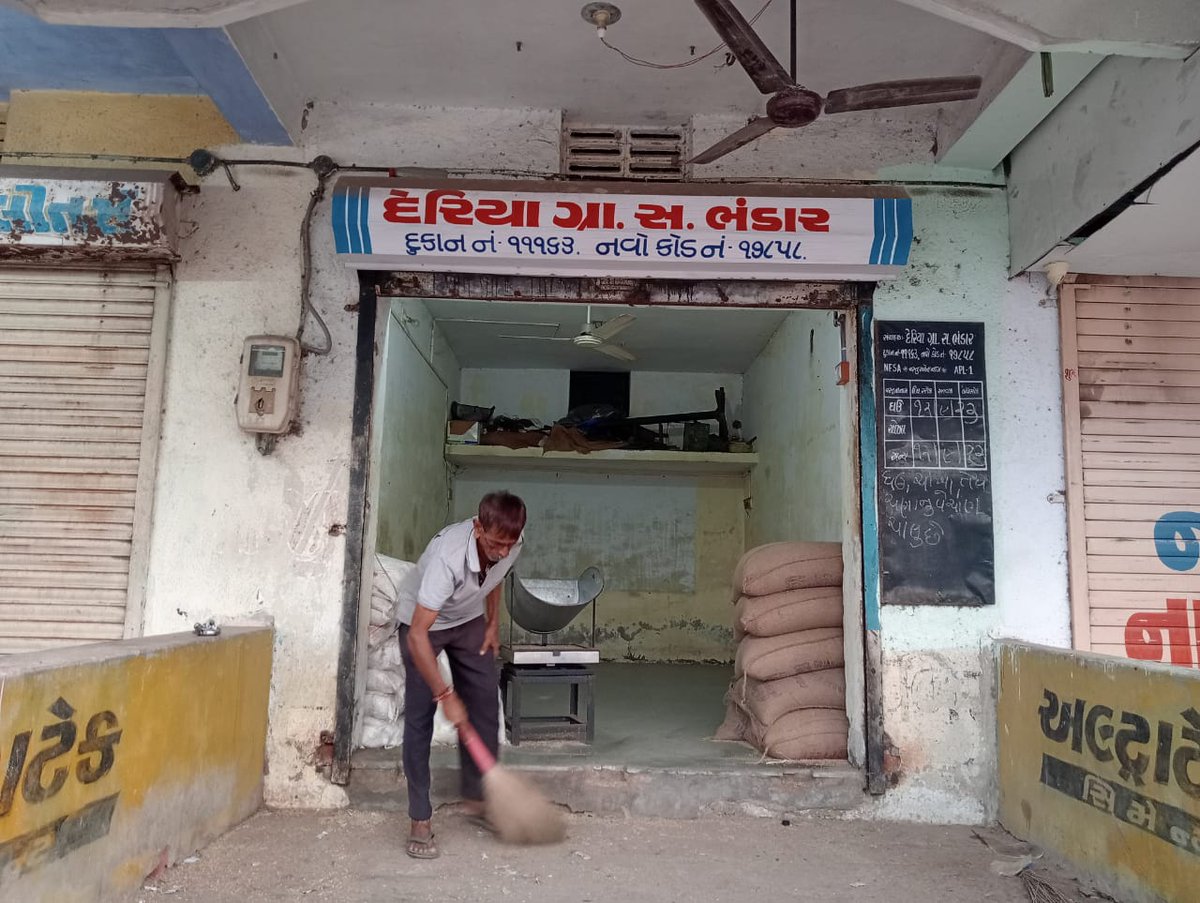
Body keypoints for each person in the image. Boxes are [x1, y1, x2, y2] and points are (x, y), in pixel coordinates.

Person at [394, 490, 526, 859]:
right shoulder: (447, 558)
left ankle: (479, 799)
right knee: (419, 715)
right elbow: (419, 634)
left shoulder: (511, 542)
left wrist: (493, 622)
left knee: (485, 702)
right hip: (422, 623)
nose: (502, 550)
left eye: (509, 544)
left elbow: (497, 574)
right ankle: (419, 818)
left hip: (467, 620)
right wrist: (445, 695)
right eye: (496, 542)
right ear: (477, 526)